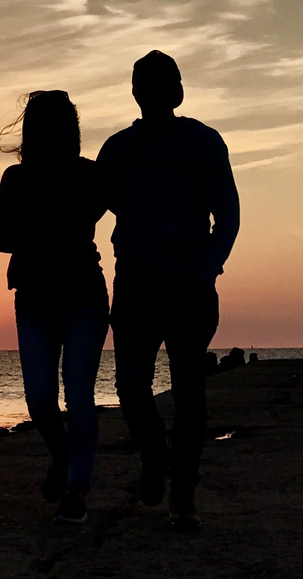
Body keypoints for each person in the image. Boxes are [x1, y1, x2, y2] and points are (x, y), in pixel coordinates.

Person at [99, 50, 239, 532]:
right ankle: (154, 456)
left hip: (188, 287)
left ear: (178, 91)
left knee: (189, 392)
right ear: (134, 91)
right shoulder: (117, 150)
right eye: (144, 83)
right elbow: (91, 207)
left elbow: (229, 215)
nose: (154, 91)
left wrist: (206, 271)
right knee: (131, 388)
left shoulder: (202, 143)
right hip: (135, 286)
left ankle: (183, 494)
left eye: (164, 83)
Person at [0, 90, 109, 525]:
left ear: (72, 128)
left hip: (84, 296)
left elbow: (124, 207)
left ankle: (78, 490)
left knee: (79, 394)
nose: (50, 129)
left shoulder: (89, 175)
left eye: (60, 120)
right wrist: (52, 232)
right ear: (30, 128)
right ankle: (61, 458)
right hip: (35, 299)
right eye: (42, 121)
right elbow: (3, 238)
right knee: (40, 399)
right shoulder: (15, 178)